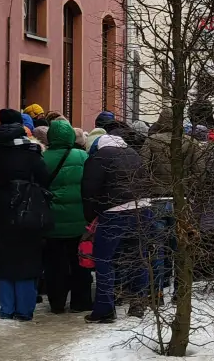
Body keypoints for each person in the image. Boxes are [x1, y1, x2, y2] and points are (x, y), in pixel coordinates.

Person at [0, 109, 49, 321]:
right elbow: (44, 179)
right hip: (28, 211)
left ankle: (7, 309)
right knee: (27, 259)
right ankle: (24, 310)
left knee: (3, 259)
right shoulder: (32, 153)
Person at [81, 128, 150, 322]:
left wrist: (90, 217)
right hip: (141, 209)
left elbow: (89, 191)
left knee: (104, 260)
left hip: (113, 213)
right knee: (138, 257)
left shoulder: (99, 158)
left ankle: (105, 309)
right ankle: (138, 303)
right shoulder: (133, 154)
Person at [40, 118, 92, 313]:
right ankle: (81, 302)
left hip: (52, 222)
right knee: (80, 263)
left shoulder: (43, 158)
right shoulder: (82, 156)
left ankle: (57, 303)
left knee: (54, 265)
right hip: (79, 220)